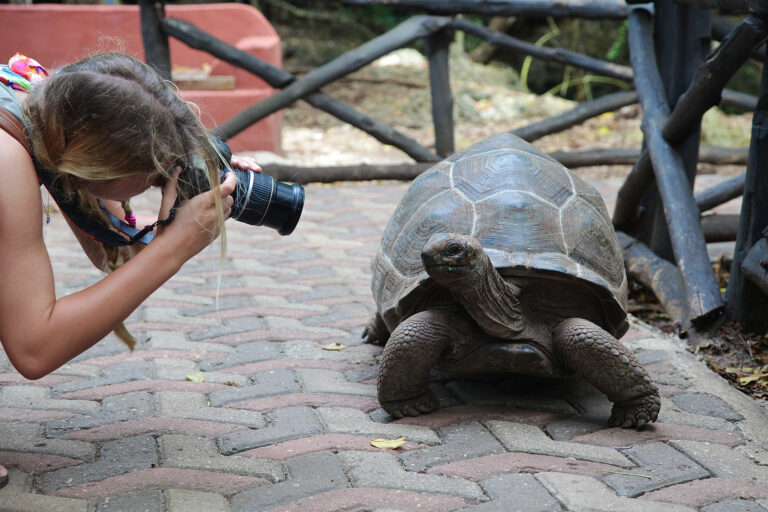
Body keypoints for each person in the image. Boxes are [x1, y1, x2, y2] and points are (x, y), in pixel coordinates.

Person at [0, 52, 262, 488]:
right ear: (98, 159)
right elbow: (34, 347)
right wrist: (172, 249)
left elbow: (112, 257)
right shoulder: (5, 157)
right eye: (153, 170)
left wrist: (183, 199)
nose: (158, 177)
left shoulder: (41, 103)